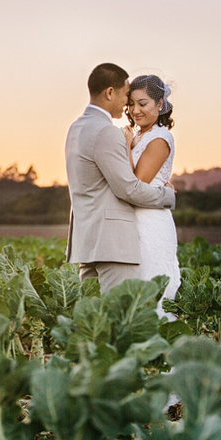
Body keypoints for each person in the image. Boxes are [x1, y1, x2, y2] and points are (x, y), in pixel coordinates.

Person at [65, 63, 175, 293]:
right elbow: (129, 189)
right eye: (127, 97)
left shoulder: (76, 128)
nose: (129, 105)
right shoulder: (106, 131)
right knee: (123, 317)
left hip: (88, 240)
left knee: (95, 318)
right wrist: (167, 195)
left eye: (139, 102)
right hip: (114, 243)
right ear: (109, 93)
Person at [124, 74, 181, 319]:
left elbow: (135, 184)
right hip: (133, 222)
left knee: (153, 284)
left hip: (151, 224)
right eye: (131, 104)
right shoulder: (136, 135)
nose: (135, 110)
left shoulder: (159, 138)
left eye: (143, 104)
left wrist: (124, 147)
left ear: (159, 105)